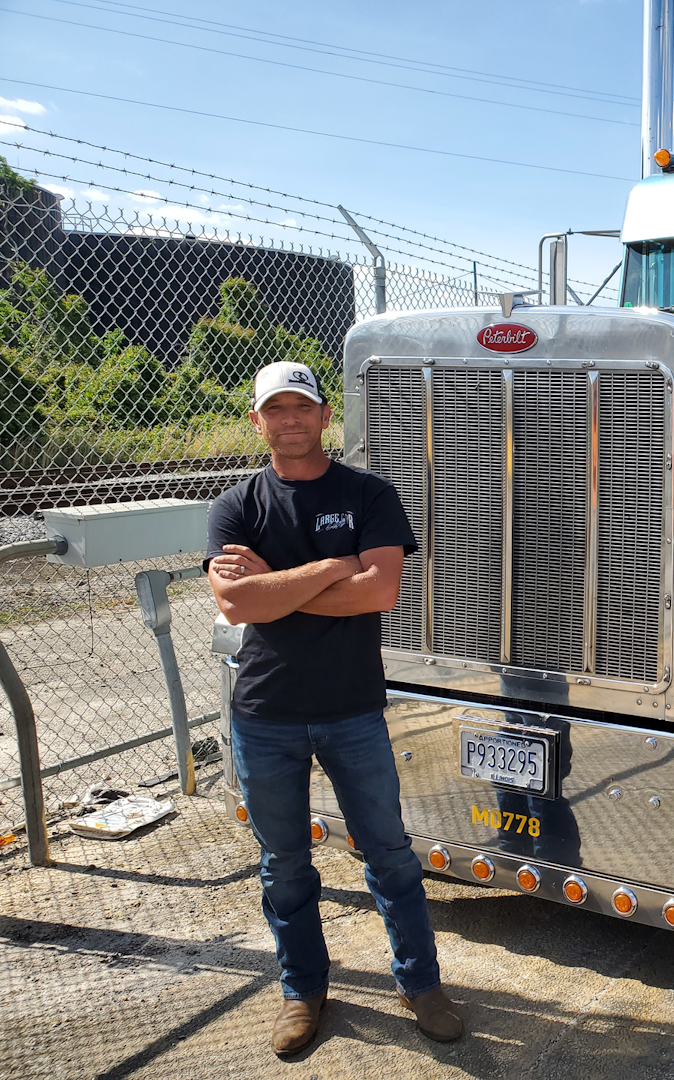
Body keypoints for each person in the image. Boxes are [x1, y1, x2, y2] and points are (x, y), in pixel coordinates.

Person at [205, 360, 462, 1055]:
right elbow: (236, 602)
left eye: (302, 407)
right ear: (257, 421)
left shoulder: (370, 495)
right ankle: (303, 991)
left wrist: (278, 586)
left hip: (352, 710)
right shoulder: (235, 507)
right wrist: (331, 567)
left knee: (390, 855)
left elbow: (380, 593)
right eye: (275, 409)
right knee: (284, 864)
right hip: (264, 712)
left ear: (324, 417)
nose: (290, 420)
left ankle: (421, 982)